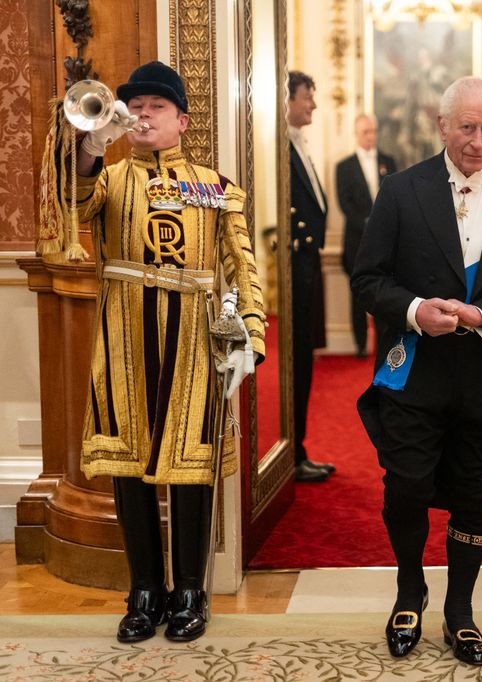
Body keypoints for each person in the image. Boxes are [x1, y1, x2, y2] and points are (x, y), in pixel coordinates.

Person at [351, 76, 482, 665]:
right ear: (442, 126)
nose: (477, 140)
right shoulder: (400, 190)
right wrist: (416, 311)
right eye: (466, 126)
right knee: (407, 483)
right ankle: (409, 588)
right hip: (415, 371)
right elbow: (368, 279)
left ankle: (460, 610)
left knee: (474, 495)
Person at [69, 61, 266, 642]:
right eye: (137, 106)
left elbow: (241, 264)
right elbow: (74, 205)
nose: (144, 113)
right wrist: (90, 148)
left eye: (156, 106)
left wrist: (249, 333)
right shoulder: (110, 177)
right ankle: (144, 591)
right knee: (127, 467)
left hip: (194, 344)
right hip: (124, 339)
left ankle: (189, 591)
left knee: (189, 468)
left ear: (182, 121)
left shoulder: (216, 186)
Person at [286, 71, 334, 483]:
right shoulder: (279, 149)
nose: (313, 104)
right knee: (295, 361)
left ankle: (297, 449)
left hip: (308, 266)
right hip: (291, 269)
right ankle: (292, 453)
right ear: (288, 101)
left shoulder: (296, 145)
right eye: (308, 97)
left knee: (304, 360)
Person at [336, 114, 397, 358]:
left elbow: (395, 198)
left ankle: (384, 340)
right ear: (356, 133)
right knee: (357, 297)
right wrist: (369, 224)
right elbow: (345, 204)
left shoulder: (388, 161)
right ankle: (360, 344)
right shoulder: (344, 166)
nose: (370, 136)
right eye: (365, 132)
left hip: (386, 242)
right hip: (356, 241)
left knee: (385, 292)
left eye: (373, 131)